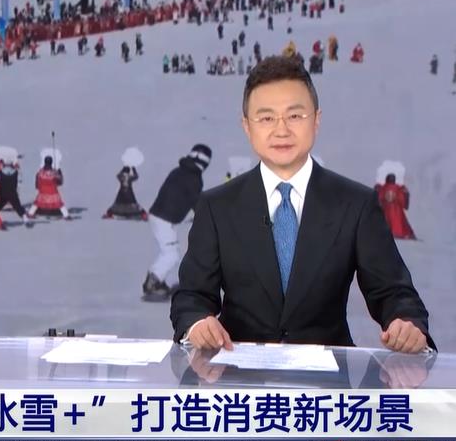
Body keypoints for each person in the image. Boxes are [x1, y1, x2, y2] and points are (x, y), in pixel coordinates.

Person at [171, 56, 434, 353]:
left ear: (316, 120)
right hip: (238, 371)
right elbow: (191, 297)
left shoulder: (355, 204)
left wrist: (406, 324)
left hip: (329, 375)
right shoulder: (216, 207)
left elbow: (394, 292)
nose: (281, 130)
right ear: (246, 126)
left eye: (295, 116)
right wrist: (198, 323)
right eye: (266, 118)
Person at [142, 144, 211, 300]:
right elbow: (196, 202)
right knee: (171, 254)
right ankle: (152, 283)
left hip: (159, 216)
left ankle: (156, 280)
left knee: (169, 252)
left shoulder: (179, 171)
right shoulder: (194, 179)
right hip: (164, 220)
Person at [0, 151, 29, 225]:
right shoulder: (15, 171)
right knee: (18, 206)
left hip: (3, 193)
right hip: (12, 193)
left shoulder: (1, 170)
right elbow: (20, 175)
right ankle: (25, 219)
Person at [375, 173, 416, 240]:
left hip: (386, 208)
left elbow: (380, 197)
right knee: (400, 221)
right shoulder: (398, 188)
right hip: (396, 210)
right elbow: (401, 199)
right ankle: (403, 233)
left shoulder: (383, 188)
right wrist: (405, 194)